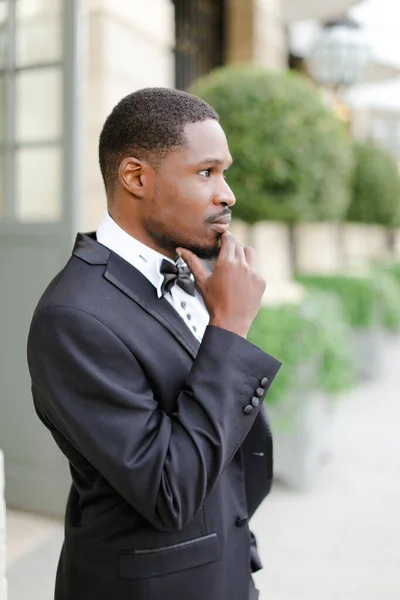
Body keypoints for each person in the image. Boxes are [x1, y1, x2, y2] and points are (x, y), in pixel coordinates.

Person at [27, 88, 281, 600]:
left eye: (224, 172)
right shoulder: (72, 317)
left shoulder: (193, 276)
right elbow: (168, 490)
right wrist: (230, 328)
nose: (227, 193)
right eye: (206, 172)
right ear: (136, 177)